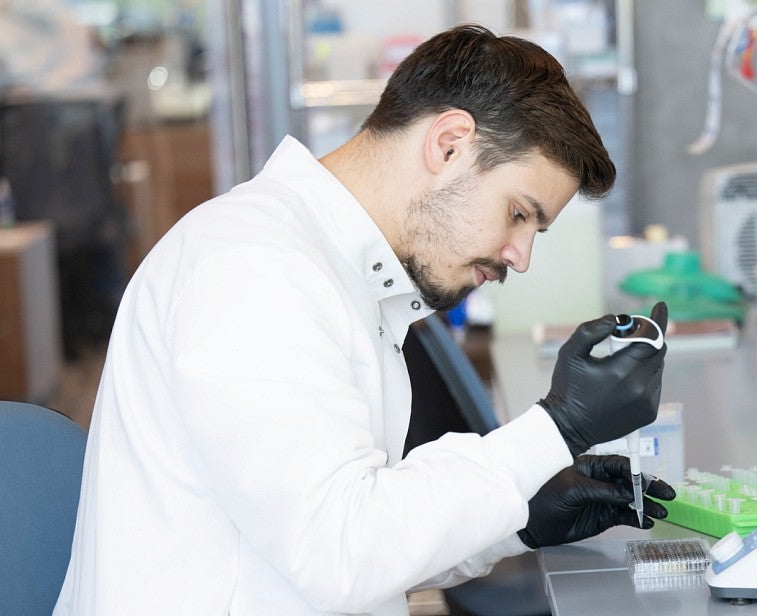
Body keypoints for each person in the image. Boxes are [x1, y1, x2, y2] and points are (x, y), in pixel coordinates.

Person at [55, 24, 673, 615]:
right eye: (518, 213)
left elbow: (364, 533)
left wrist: (521, 517)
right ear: (449, 144)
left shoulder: (339, 275)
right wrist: (554, 429)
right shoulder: (254, 270)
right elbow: (339, 555)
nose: (521, 256)